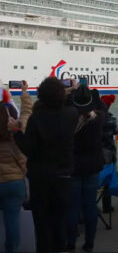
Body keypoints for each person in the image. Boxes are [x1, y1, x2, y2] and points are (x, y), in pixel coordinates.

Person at [13, 77, 79, 253]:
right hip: (63, 177)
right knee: (60, 222)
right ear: (61, 94)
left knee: (42, 224)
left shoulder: (37, 118)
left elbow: (29, 148)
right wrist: (71, 90)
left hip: (40, 178)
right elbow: (73, 107)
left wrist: (16, 132)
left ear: (41, 95)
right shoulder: (71, 114)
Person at [66, 85, 105, 253]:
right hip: (92, 167)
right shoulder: (99, 118)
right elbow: (101, 105)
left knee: (73, 207)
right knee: (90, 206)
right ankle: (89, 243)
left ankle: (70, 243)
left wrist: (70, 92)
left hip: (73, 167)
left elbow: (65, 105)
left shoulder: (69, 119)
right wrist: (89, 94)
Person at [1, 81, 32, 253]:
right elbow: (27, 113)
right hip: (14, 182)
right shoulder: (16, 129)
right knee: (13, 222)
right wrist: (24, 93)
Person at [100, 94, 118, 213]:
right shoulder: (112, 119)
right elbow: (116, 131)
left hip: (96, 153)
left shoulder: (94, 119)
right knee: (107, 179)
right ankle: (107, 206)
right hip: (109, 153)